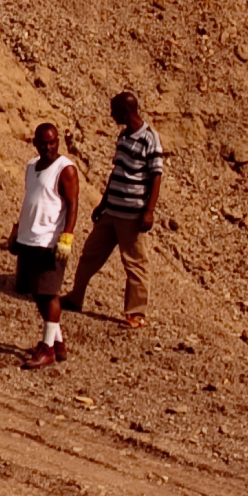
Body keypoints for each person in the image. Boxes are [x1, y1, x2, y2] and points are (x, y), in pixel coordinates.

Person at [66, 89, 167, 327]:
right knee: (90, 254)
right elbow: (117, 171)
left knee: (135, 264)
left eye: (114, 111)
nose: (111, 115)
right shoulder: (123, 137)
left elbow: (156, 176)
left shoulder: (150, 138)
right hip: (112, 210)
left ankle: (136, 314)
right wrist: (103, 203)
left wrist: (149, 211)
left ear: (126, 111)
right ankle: (74, 298)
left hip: (132, 213)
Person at [8, 122, 83, 368]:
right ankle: (58, 345)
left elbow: (72, 204)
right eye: (44, 143)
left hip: (49, 241)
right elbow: (30, 200)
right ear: (36, 143)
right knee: (37, 294)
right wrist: (17, 231)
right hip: (29, 238)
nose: (49, 147)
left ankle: (48, 348)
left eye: (53, 142)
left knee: (49, 294)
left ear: (58, 141)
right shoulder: (31, 167)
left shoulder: (66, 169)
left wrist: (67, 237)